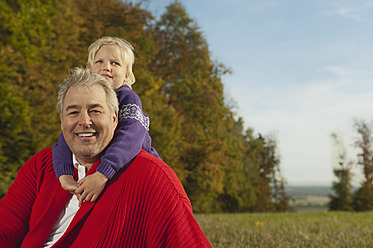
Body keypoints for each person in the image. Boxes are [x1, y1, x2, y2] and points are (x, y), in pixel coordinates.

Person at [0, 67, 212, 247]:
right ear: (62, 121)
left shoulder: (153, 177)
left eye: (95, 111)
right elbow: (6, 224)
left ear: (114, 118)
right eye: (73, 112)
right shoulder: (41, 165)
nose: (84, 121)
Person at [53, 36, 160, 205]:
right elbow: (66, 137)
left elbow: (131, 136)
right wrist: (65, 173)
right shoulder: (83, 101)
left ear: (126, 76)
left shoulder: (127, 98)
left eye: (115, 63)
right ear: (88, 71)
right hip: (108, 168)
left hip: (135, 165)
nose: (106, 68)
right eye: (100, 62)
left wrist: (102, 173)